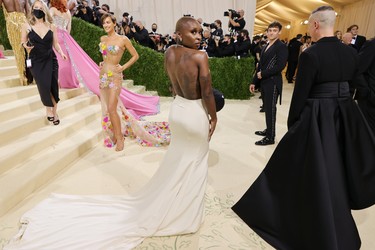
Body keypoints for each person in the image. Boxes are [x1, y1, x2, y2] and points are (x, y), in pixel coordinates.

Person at [4, 16, 217, 250]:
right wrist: (213, 116)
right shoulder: (200, 56)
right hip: (194, 111)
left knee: (178, 157)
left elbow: (169, 80)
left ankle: (173, 197)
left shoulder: (169, 52)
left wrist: (121, 67)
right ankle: (185, 209)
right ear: (179, 34)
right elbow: (206, 90)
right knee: (195, 159)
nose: (198, 36)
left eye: (200, 32)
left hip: (177, 110)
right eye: (193, 32)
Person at [232, 6, 375, 250]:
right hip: (345, 116)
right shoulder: (351, 53)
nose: (309, 29)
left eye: (309, 25)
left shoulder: (311, 54)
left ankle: (305, 220)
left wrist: (294, 125)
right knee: (334, 171)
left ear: (316, 25)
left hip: (318, 117)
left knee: (306, 171)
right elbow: (359, 86)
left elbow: (301, 95)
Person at [21, 0, 67, 125]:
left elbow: (56, 43)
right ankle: (48, 108)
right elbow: (23, 42)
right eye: (35, 7)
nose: (38, 10)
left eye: (40, 8)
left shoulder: (52, 26)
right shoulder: (27, 26)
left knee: (54, 85)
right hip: (36, 61)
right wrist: (26, 46)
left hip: (50, 59)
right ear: (32, 10)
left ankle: (55, 111)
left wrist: (61, 52)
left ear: (45, 10)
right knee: (44, 85)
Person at [250, 21, 288, 145]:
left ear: (279, 32)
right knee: (267, 108)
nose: (271, 33)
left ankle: (270, 137)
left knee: (271, 109)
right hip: (265, 82)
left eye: (274, 31)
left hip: (273, 82)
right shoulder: (266, 45)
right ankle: (268, 130)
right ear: (267, 32)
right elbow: (260, 65)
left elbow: (280, 66)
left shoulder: (281, 46)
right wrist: (254, 81)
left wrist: (263, 74)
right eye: (270, 30)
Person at [50, 0, 80, 88]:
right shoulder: (68, 12)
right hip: (66, 37)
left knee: (58, 59)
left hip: (56, 36)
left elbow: (48, 21)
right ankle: (70, 81)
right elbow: (69, 28)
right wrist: (66, 37)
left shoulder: (52, 10)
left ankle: (59, 81)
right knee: (67, 61)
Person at [0, 0, 30, 85]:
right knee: (21, 50)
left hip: (17, 22)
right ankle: (24, 75)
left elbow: (28, 12)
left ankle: (26, 75)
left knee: (23, 50)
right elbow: (28, 13)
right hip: (17, 22)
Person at [356, 38, 375, 134]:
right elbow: (358, 69)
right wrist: (366, 92)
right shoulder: (372, 44)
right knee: (368, 135)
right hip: (370, 100)